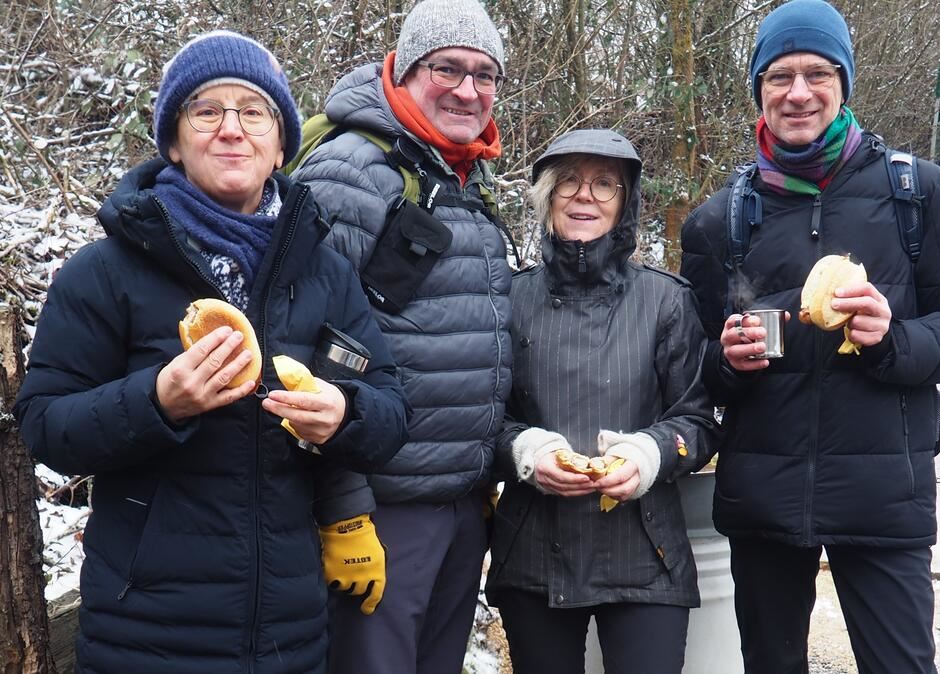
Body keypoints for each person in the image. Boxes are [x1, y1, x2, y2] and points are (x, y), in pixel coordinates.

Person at [14, 31, 409, 673]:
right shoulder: (105, 272)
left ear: (281, 144)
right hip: (144, 634)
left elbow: (391, 412)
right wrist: (157, 403)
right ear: (174, 140)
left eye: (254, 112)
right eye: (207, 110)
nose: (232, 129)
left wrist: (344, 414)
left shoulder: (325, 272)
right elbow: (46, 428)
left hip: (289, 634)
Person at [678, 1, 940, 672]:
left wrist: (893, 340)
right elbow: (690, 365)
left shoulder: (918, 194)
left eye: (818, 73)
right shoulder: (721, 221)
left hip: (884, 496)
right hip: (765, 498)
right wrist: (728, 362)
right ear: (759, 90)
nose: (799, 93)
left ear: (844, 83)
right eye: (779, 76)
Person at [288, 1, 513, 671]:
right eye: (447, 68)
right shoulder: (350, 173)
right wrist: (345, 511)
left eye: (485, 74)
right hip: (382, 510)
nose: (468, 90)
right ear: (405, 70)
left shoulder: (458, 175)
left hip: (457, 504)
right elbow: (303, 353)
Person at [484, 129, 717, 674]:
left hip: (646, 550)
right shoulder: (508, 299)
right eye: (568, 181)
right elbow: (476, 416)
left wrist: (648, 454)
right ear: (546, 195)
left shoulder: (666, 301)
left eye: (604, 184)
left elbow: (698, 420)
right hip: (535, 551)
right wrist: (525, 449)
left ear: (626, 203)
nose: (584, 195)